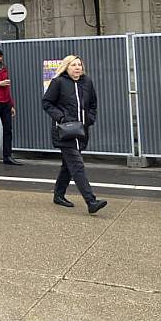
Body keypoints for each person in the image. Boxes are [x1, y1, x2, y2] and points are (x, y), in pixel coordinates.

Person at [42, 55, 107, 214]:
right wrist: (61, 118)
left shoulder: (87, 82)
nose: (77, 67)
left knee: (68, 166)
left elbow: (93, 103)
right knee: (77, 165)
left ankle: (58, 195)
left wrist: (90, 119)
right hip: (65, 132)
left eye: (79, 65)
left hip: (81, 131)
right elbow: (47, 103)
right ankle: (91, 201)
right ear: (66, 67)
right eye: (73, 65)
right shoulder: (58, 82)